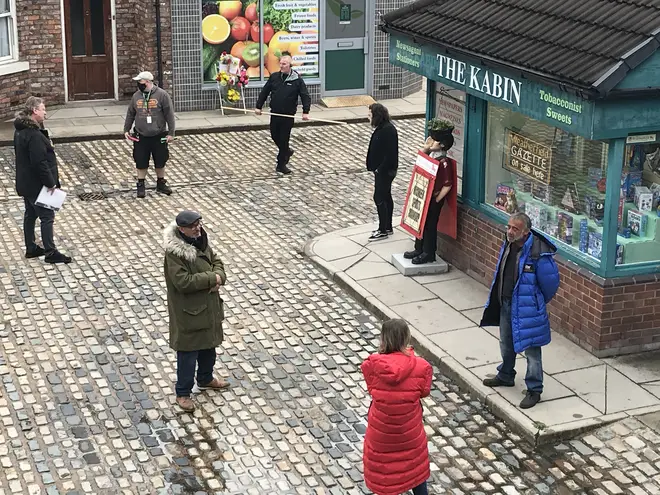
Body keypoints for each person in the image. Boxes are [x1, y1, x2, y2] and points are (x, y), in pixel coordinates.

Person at [480, 212, 560, 409]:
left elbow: (550, 284)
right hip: (506, 303)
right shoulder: (508, 244)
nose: (509, 231)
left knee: (532, 351)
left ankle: (534, 389)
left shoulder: (537, 252)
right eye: (508, 227)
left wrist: (535, 301)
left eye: (515, 229)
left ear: (525, 231)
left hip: (527, 308)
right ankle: (506, 374)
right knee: (506, 342)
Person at [164, 210, 230, 412]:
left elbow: (216, 261)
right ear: (182, 229)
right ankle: (182, 393)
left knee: (209, 346)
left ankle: (205, 378)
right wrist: (212, 279)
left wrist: (218, 275)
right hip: (189, 312)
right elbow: (183, 282)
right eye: (193, 226)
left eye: (198, 224)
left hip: (207, 308)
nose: (197, 228)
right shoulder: (175, 254)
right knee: (188, 354)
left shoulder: (201, 240)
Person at [361, 319, 432, 495]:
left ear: (383, 339)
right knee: (416, 470)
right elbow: (424, 392)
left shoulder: (371, 365)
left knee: (386, 477)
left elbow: (372, 389)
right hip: (410, 432)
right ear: (406, 338)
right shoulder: (423, 367)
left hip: (381, 434)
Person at [14, 96, 72, 264]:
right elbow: (39, 162)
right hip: (37, 185)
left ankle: (31, 247)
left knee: (30, 214)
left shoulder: (20, 130)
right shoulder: (33, 135)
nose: (45, 112)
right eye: (43, 109)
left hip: (25, 182)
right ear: (34, 111)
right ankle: (50, 252)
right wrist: (51, 183)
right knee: (47, 217)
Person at [255, 53, 311, 175]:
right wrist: (258, 106)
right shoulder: (274, 77)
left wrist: (306, 111)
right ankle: (286, 151)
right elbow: (264, 92)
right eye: (280, 63)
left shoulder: (297, 80)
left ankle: (281, 164)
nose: (281, 66)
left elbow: (305, 96)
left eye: (284, 64)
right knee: (274, 135)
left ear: (289, 65)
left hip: (288, 115)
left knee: (284, 139)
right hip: (275, 113)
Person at [123, 71, 176, 198]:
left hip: (159, 134)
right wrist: (126, 129)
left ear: (147, 82)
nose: (138, 84)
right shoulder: (136, 96)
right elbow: (131, 113)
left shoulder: (162, 95)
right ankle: (141, 184)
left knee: (160, 160)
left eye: (140, 81)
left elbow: (169, 115)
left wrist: (171, 133)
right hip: (141, 135)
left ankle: (161, 182)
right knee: (140, 160)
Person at [403, 133, 454, 264]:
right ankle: (418, 248)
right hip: (425, 195)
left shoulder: (444, 162)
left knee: (430, 225)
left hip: (434, 197)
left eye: (435, 141)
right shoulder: (433, 156)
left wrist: (437, 200)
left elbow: (448, 184)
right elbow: (420, 157)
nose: (432, 143)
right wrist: (427, 147)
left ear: (442, 145)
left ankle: (428, 252)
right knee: (421, 222)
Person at [366, 103, 399, 241]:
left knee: (379, 197)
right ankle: (387, 226)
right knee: (385, 196)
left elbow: (390, 154)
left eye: (370, 114)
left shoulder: (388, 130)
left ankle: (383, 229)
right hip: (382, 169)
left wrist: (380, 169)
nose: (368, 117)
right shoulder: (382, 128)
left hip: (385, 171)